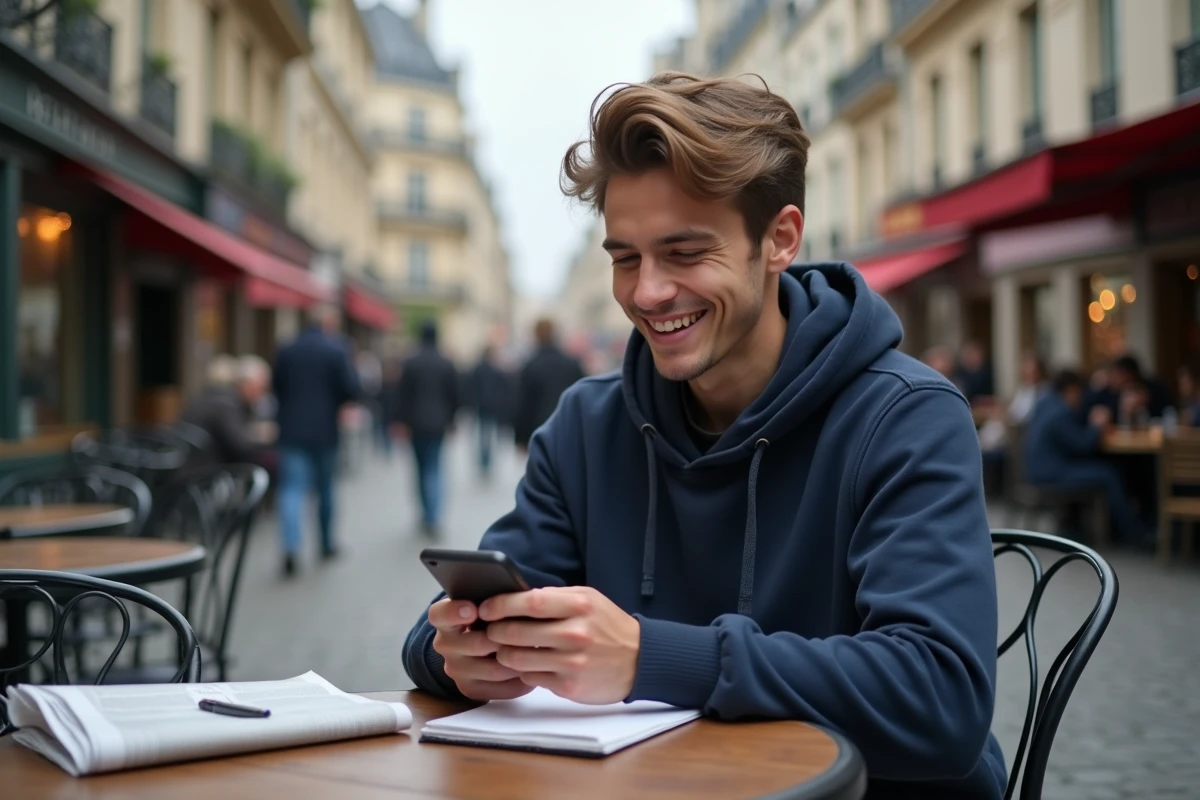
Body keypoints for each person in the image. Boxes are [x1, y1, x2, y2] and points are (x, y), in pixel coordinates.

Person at [402, 73, 1005, 797]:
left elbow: (941, 701)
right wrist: (458, 652)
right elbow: (439, 636)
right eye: (625, 257)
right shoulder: (585, 426)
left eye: (685, 253)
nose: (647, 292)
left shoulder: (907, 416)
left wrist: (648, 658)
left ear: (779, 240)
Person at [272, 305, 361, 577]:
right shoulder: (336, 350)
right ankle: (325, 544)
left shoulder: (286, 349)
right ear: (330, 323)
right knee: (325, 489)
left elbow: (276, 386)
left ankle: (290, 547)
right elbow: (351, 390)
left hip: (291, 429)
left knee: (292, 489)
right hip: (325, 431)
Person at [1024, 369, 1144, 544]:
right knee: (1108, 474)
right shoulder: (1060, 412)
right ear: (1071, 390)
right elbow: (1082, 446)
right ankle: (1132, 532)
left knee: (1101, 469)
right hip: (1051, 474)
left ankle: (1085, 526)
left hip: (1036, 470)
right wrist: (1098, 426)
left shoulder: (1044, 403)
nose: (1081, 399)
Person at [393, 320, 460, 536]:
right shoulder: (445, 362)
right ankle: (433, 515)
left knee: (421, 469)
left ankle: (426, 513)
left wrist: (400, 421)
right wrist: (452, 420)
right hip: (438, 423)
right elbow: (454, 395)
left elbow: (402, 395)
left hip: (415, 424)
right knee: (435, 468)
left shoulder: (411, 362)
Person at [180, 354, 272, 468]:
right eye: (261, 387)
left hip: (197, 462)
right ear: (246, 384)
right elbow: (240, 444)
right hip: (207, 468)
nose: (263, 394)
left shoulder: (211, 397)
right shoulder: (225, 404)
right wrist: (264, 436)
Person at [512, 318, 585, 451]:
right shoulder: (571, 364)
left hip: (539, 431)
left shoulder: (531, 365)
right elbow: (584, 397)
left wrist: (520, 438)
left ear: (536, 336)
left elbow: (523, 404)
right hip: (569, 428)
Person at [468, 344, 512, 479]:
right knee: (489, 435)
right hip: (493, 406)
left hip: (482, 406)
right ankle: (487, 461)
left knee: (484, 435)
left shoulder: (478, 370)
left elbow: (471, 388)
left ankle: (485, 461)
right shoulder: (496, 371)